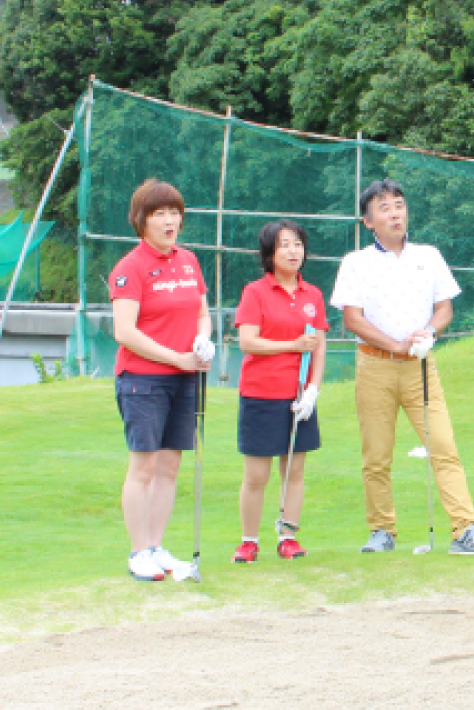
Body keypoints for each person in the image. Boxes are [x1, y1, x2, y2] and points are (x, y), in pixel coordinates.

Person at [329, 178, 474, 556]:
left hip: (421, 368)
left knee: (443, 447)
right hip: (375, 367)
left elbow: (445, 308)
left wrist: (428, 331)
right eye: (384, 208)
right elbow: (353, 319)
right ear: (368, 221)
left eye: (398, 205)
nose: (394, 213)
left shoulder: (429, 255)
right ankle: (382, 530)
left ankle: (465, 530)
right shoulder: (355, 263)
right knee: (377, 455)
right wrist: (394, 344)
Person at [108, 178, 214, 582]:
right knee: (144, 467)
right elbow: (125, 332)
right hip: (143, 379)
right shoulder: (130, 267)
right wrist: (177, 358)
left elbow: (202, 312)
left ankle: (156, 545)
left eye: (175, 213)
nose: (170, 221)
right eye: (160, 214)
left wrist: (201, 342)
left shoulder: (188, 261)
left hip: (184, 378)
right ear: (142, 220)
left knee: (170, 465)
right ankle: (138, 552)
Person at [230, 221, 328, 563]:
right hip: (261, 394)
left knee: (294, 472)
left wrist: (313, 389)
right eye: (284, 244)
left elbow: (319, 346)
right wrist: (292, 345)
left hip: (299, 397)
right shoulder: (255, 291)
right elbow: (248, 341)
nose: (292, 251)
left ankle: (288, 536)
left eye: (298, 243)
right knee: (257, 474)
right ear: (270, 253)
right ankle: (249, 540)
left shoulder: (312, 294)